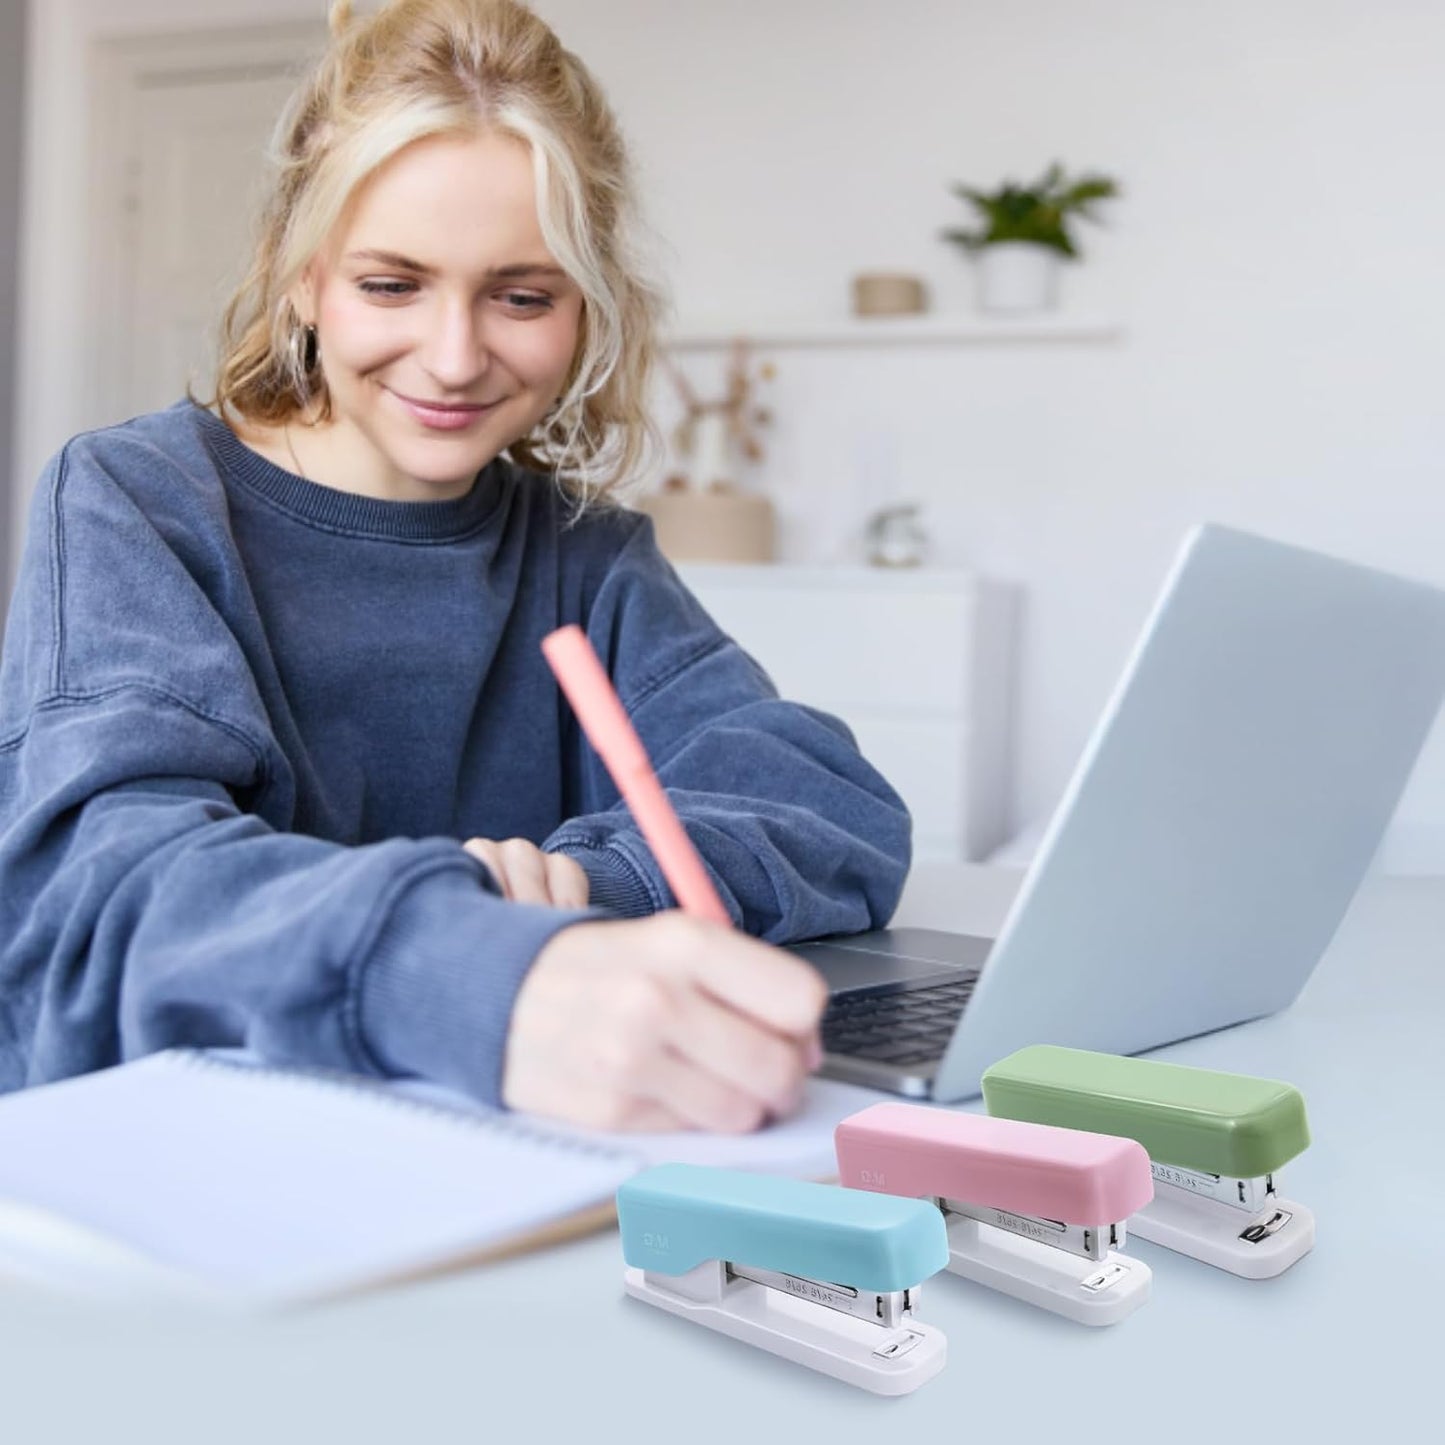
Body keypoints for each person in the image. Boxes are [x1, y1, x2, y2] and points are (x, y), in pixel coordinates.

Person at [0, 0, 910, 1132]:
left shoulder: (584, 553)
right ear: (302, 278)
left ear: (585, 309)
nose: (452, 356)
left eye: (521, 296)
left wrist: (586, 881)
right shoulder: (140, 499)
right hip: (192, 1148)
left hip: (489, 1153)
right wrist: (477, 958)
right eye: (391, 285)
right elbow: (112, 886)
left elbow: (821, 801)